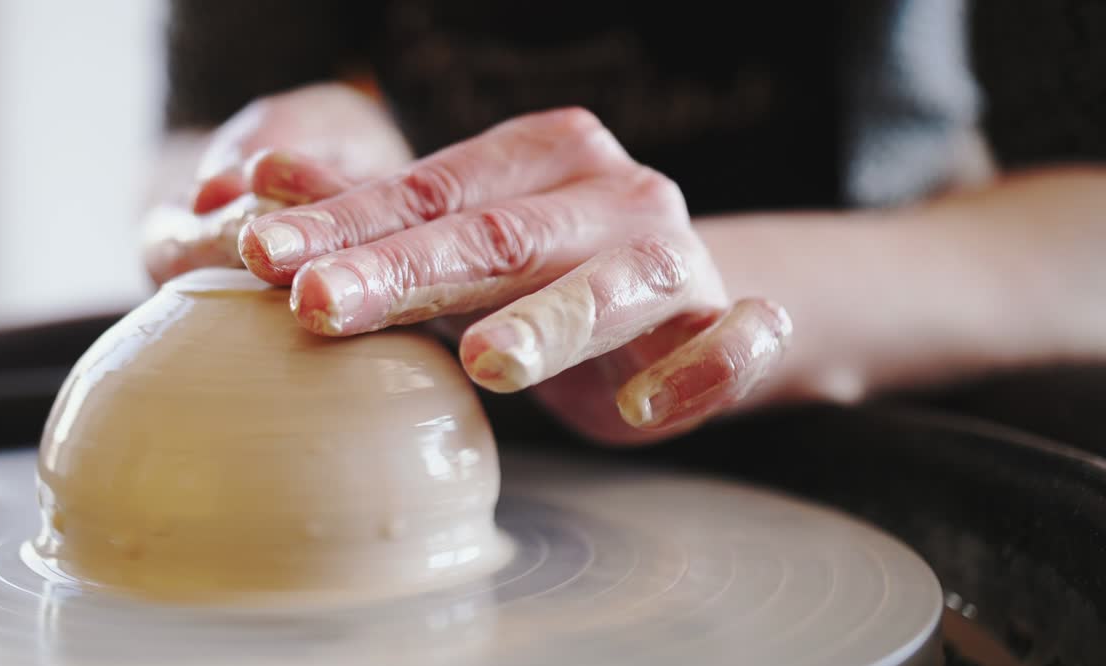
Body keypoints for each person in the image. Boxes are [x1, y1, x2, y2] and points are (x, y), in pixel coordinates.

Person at [143, 0, 1106, 445]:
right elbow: (192, 141)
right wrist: (276, 171)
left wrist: (676, 288)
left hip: (870, 297)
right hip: (450, 348)